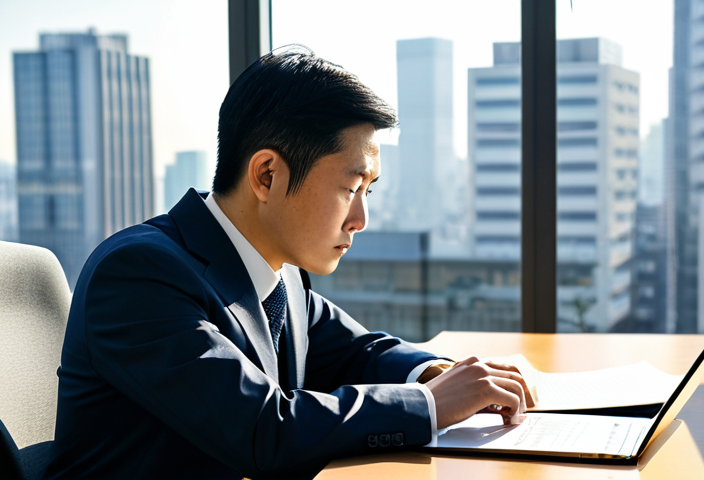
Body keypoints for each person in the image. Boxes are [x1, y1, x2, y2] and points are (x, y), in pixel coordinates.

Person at [44, 47, 533, 479]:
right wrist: (430, 406)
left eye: (370, 190)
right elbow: (263, 429)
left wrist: (435, 374)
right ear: (267, 175)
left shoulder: (280, 276)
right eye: (350, 188)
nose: (360, 219)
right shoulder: (139, 274)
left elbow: (356, 352)